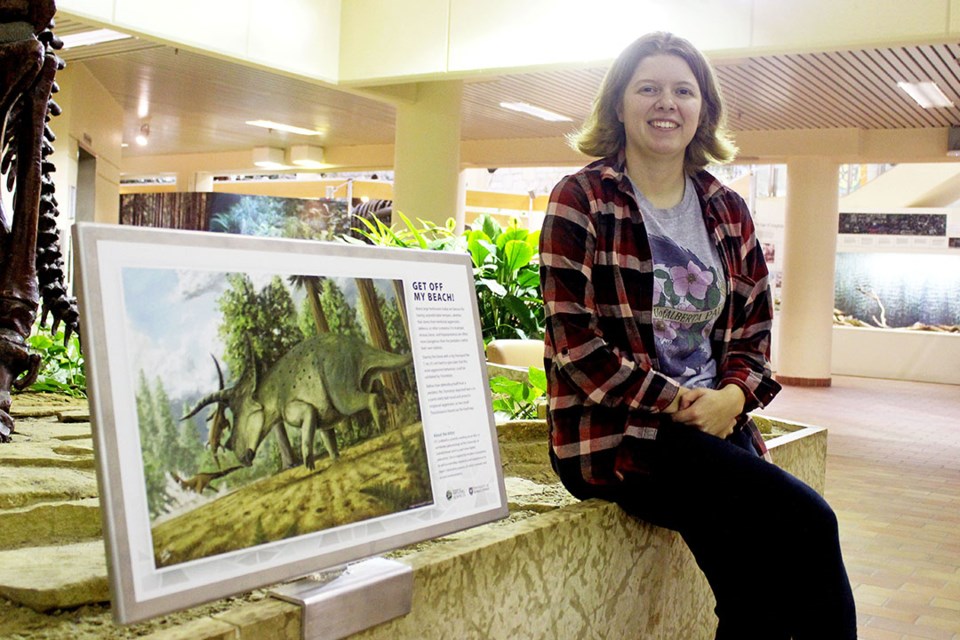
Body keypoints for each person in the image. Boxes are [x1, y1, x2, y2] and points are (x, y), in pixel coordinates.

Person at [539, 31, 857, 640]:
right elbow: (575, 344)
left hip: (714, 426)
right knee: (810, 523)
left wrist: (733, 398)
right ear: (619, 105)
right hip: (619, 434)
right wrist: (681, 404)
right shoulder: (581, 199)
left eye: (684, 90)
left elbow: (753, 332)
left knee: (753, 591)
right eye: (648, 88)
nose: (667, 103)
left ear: (703, 110)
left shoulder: (726, 208)